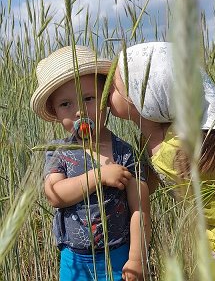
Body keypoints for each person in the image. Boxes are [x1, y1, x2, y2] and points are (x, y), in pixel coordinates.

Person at [108, 42, 215, 280]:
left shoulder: (185, 139)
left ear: (146, 99)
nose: (107, 91)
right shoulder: (145, 140)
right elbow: (152, 181)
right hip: (213, 237)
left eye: (115, 88)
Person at [30, 45, 151, 281]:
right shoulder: (58, 152)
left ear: (105, 100)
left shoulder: (124, 153)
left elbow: (140, 209)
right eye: (66, 104)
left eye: (88, 99)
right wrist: (99, 175)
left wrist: (137, 258)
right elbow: (55, 195)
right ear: (55, 112)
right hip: (74, 261)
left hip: (118, 257)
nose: (79, 111)